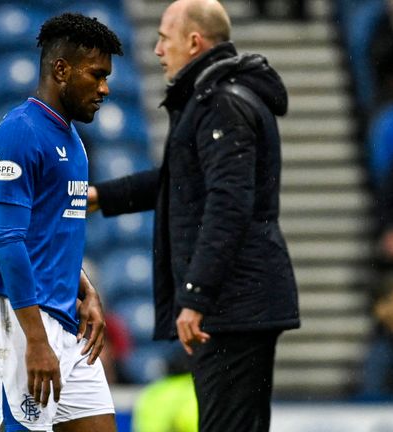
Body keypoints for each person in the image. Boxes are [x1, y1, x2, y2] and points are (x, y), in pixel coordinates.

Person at [87, 1, 300, 430]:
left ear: (194, 42)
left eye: (165, 38)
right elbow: (179, 181)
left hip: (233, 303)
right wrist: (102, 196)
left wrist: (196, 295)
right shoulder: (212, 99)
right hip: (240, 299)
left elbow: (228, 203)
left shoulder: (221, 104)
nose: (159, 49)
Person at [0, 13, 122, 432]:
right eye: (96, 75)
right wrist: (35, 341)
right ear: (60, 69)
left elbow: (50, 236)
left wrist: (86, 288)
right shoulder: (20, 133)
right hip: (16, 320)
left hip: (62, 320)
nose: (105, 88)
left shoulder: (73, 141)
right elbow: (6, 239)